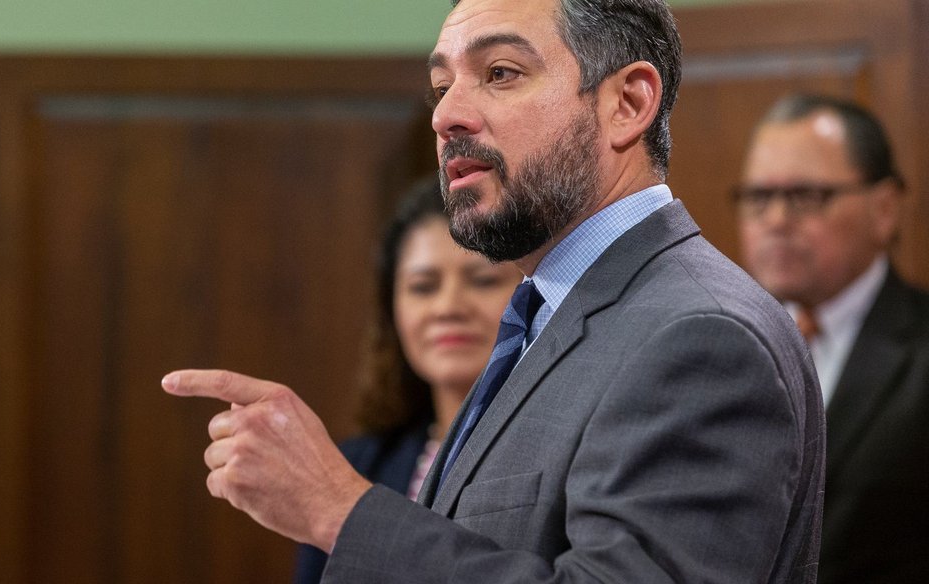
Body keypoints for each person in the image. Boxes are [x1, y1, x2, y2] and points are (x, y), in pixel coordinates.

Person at [163, 0, 825, 581]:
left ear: (626, 103)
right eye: (441, 85)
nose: (446, 115)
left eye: (500, 73)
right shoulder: (550, 313)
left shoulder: (698, 335)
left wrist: (342, 511)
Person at [736, 93, 929, 584]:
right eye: (759, 198)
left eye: (806, 197)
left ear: (885, 209)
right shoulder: (718, 342)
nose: (776, 221)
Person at [293, 177, 522, 583]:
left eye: (482, 280)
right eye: (423, 287)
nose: (448, 306)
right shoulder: (353, 467)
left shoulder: (565, 458)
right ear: (393, 309)